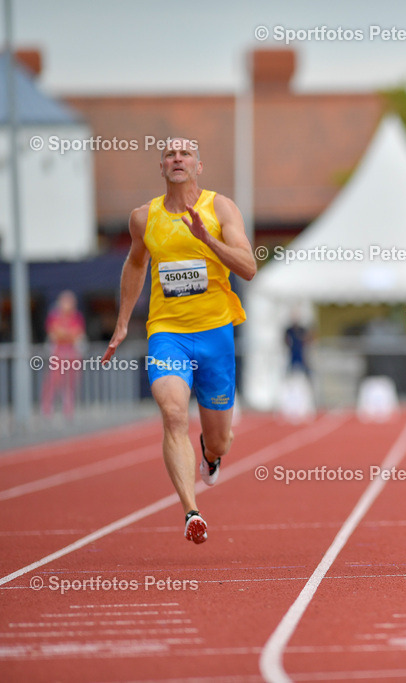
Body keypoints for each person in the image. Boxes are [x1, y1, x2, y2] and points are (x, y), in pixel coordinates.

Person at [102, 138, 256, 544]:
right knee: (172, 414)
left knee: (220, 437)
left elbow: (249, 267)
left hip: (216, 334)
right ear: (162, 166)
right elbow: (135, 263)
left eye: (185, 153)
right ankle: (191, 511)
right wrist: (121, 323)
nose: (177, 158)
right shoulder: (144, 217)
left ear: (198, 166)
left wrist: (208, 240)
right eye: (170, 154)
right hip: (167, 333)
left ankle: (210, 454)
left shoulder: (220, 208)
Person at [41, 290, 86, 418]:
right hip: (57, 355)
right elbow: (54, 333)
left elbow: (77, 334)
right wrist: (67, 334)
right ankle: (47, 408)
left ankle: (68, 409)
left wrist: (65, 334)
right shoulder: (54, 316)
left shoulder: (77, 316)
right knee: (53, 382)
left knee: (70, 384)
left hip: (72, 355)